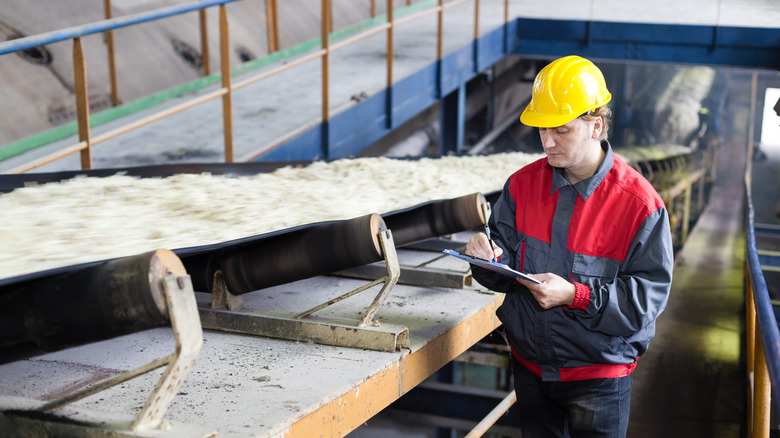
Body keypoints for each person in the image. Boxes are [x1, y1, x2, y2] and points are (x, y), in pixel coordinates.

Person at [465, 55, 673, 437]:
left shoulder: (639, 205)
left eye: (560, 130)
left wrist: (575, 295)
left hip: (598, 379)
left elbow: (644, 300)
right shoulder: (521, 185)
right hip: (530, 369)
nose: (547, 142)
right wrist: (488, 259)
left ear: (595, 126)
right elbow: (505, 263)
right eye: (543, 130)